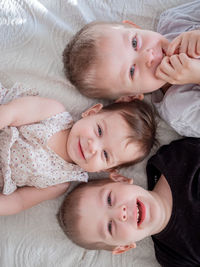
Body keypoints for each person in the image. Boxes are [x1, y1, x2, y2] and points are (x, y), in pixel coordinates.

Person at [0, 82, 156, 215]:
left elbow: (19, 201)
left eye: (105, 154)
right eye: (99, 131)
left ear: (106, 169)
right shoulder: (54, 113)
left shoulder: (59, 183)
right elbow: (10, 113)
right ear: (91, 113)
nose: (93, 146)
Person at [63, 0, 200, 137]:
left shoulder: (176, 21)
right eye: (132, 71)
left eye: (135, 43)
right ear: (132, 96)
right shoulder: (179, 110)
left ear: (135, 27)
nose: (148, 56)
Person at [58, 137, 200, 266]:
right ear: (123, 247)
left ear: (121, 179)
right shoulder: (174, 257)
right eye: (109, 226)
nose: (121, 213)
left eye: (109, 199)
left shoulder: (177, 159)